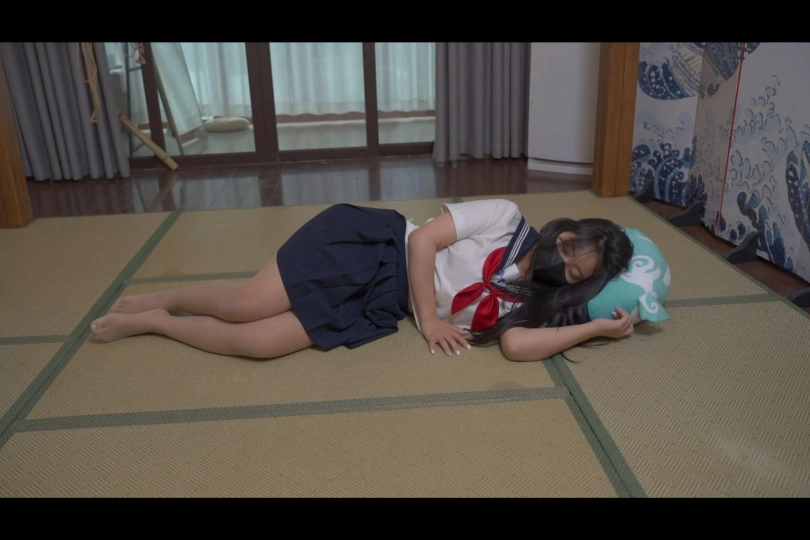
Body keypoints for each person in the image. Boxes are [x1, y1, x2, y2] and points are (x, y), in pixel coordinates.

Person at [90, 198, 635, 362]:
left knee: (260, 344)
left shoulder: (538, 301)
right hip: (375, 244)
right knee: (244, 305)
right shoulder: (506, 218)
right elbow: (423, 242)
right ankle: (164, 296)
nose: (561, 262)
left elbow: (516, 347)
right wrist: (430, 321)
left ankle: (159, 323)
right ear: (567, 230)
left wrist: (595, 329)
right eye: (569, 248)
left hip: (382, 301)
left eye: (573, 273)